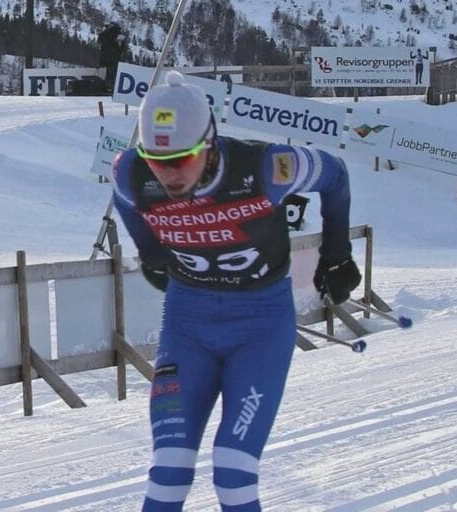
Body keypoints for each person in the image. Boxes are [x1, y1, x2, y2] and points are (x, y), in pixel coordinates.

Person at [111, 70, 361, 511]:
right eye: (156, 160)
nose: (168, 176)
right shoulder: (131, 173)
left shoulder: (267, 168)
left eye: (181, 160)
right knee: (168, 472)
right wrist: (151, 253)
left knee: (232, 472)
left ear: (209, 143)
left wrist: (336, 253)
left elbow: (335, 175)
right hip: (187, 326)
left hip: (259, 328)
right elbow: (126, 203)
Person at [97, 22, 127, 90]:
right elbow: (123, 47)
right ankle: (111, 86)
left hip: (104, 56)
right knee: (113, 72)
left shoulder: (103, 34)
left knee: (103, 71)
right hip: (114, 57)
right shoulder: (119, 35)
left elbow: (99, 43)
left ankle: (102, 85)